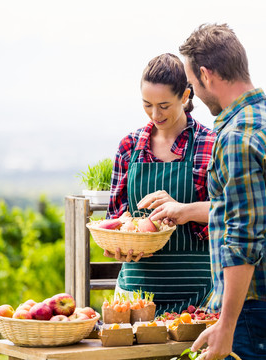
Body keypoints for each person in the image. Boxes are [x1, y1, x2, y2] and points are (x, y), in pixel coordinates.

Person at [176, 24, 266, 360]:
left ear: (206, 75)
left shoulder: (236, 138)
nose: (194, 93)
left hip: (257, 312)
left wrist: (226, 327)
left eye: (193, 84)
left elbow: (243, 239)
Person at [105, 53, 215, 315]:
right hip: (135, 293)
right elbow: (116, 218)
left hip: (200, 293)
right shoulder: (129, 147)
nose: (155, 114)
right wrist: (119, 245)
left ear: (186, 95)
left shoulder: (210, 144)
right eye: (147, 105)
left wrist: (184, 210)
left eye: (164, 105)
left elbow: (231, 210)